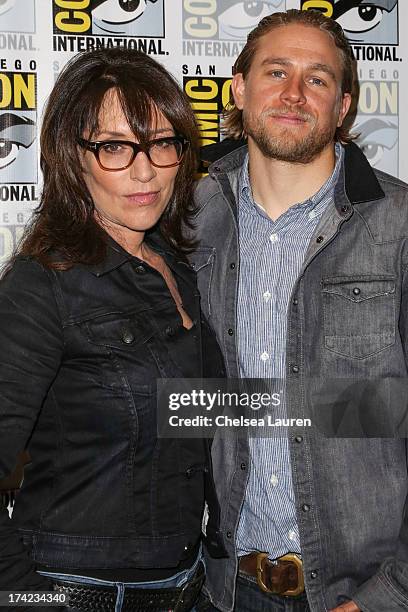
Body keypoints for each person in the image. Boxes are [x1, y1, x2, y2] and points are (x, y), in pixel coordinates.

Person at [191, 8, 408, 612]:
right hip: (224, 589)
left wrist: (390, 595)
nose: (293, 94)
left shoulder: (398, 226)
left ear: (342, 106)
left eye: (317, 79)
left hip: (362, 592)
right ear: (238, 87)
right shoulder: (186, 221)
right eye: (276, 72)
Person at [0, 47, 227, 612]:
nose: (145, 169)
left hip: (190, 584)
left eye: (162, 143)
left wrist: (357, 409)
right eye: (115, 147)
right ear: (72, 158)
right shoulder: (42, 285)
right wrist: (31, 602)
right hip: (81, 591)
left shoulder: (176, 268)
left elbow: (196, 412)